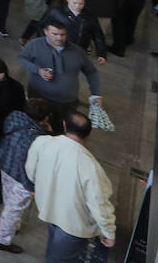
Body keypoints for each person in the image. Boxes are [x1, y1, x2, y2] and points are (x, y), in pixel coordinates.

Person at [25, 111, 116, 259]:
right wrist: (108, 232)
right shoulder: (91, 167)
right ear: (89, 133)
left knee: (54, 249)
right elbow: (99, 204)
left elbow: (30, 172)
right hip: (73, 226)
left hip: (48, 209)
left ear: (64, 125)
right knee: (60, 258)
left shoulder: (42, 142)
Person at [0, 97, 54, 254]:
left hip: (5, 163)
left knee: (8, 197)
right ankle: (2, 240)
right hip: (23, 177)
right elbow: (37, 162)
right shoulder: (39, 139)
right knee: (14, 209)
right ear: (45, 117)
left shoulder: (14, 116)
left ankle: (13, 226)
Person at [18, 17, 102, 120]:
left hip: (67, 103)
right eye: (55, 34)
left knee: (62, 129)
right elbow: (22, 58)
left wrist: (95, 94)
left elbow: (91, 72)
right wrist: (37, 70)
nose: (59, 38)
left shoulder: (77, 51)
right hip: (39, 99)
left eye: (62, 34)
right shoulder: (34, 45)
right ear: (46, 32)